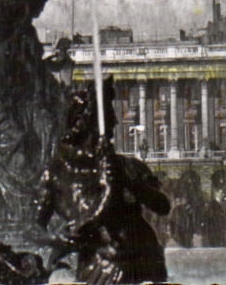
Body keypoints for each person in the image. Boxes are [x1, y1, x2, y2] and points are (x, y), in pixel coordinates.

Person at [36, 85, 170, 284]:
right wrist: (56, 239)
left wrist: (128, 182)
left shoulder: (125, 165)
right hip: (102, 264)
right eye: (109, 116)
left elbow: (163, 206)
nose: (115, 122)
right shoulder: (57, 172)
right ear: (84, 123)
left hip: (144, 261)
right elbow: (34, 226)